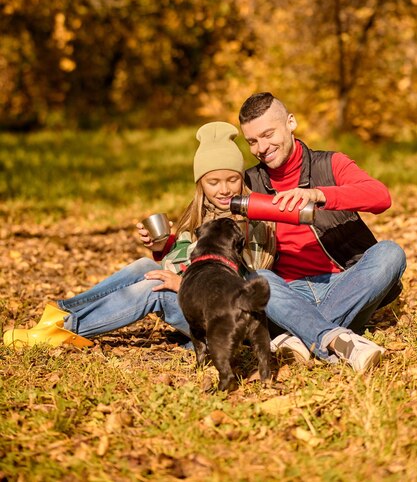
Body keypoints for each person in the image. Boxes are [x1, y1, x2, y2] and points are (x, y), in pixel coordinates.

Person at [3, 122, 274, 350]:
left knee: (153, 289)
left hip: (225, 321)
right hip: (198, 300)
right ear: (200, 184)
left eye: (232, 179)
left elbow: (240, 288)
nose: (224, 189)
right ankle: (61, 313)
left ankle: (65, 332)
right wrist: (162, 245)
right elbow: (185, 259)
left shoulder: (252, 222)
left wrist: (180, 285)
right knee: (145, 266)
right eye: (213, 182)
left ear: (242, 178)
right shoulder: (203, 213)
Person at [238, 92, 407, 372]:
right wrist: (164, 245)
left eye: (268, 134)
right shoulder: (249, 182)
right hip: (287, 293)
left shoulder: (330, 164)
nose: (262, 147)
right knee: (258, 279)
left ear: (291, 123)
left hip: (345, 284)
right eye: (252, 141)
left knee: (390, 253)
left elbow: (381, 197)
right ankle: (332, 336)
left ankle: (300, 336)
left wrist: (318, 194)